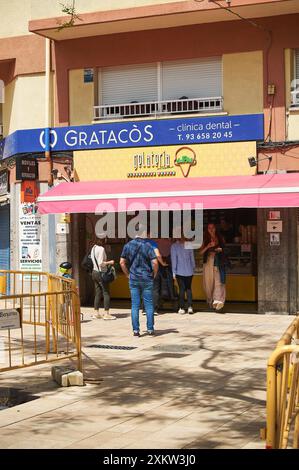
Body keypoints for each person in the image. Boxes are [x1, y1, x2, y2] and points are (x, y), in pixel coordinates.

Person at [120, 227, 159, 336]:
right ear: (144, 234)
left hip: (133, 279)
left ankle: (136, 330)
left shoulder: (128, 245)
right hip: (147, 278)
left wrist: (127, 274)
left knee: (135, 305)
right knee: (149, 304)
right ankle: (150, 329)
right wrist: (154, 274)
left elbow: (122, 262)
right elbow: (155, 263)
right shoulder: (148, 246)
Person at [200, 223, 227, 312]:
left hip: (218, 262)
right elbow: (201, 252)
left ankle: (218, 300)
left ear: (216, 228)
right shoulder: (205, 239)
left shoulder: (220, 238)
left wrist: (221, 249)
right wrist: (208, 246)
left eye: (213, 227)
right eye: (209, 228)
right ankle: (210, 300)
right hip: (208, 262)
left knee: (219, 281)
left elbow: (226, 250)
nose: (211, 229)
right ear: (207, 229)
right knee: (208, 283)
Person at [91, 238, 116, 320]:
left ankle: (96, 313)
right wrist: (110, 262)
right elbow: (101, 263)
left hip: (94, 272)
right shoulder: (101, 249)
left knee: (98, 292)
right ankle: (106, 313)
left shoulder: (93, 248)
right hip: (101, 273)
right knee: (106, 293)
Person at [171, 237, 195, 314]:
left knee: (181, 289)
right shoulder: (189, 245)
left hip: (179, 271)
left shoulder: (174, 246)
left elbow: (174, 260)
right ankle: (190, 307)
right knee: (188, 288)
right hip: (189, 270)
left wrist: (173, 272)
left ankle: (181, 307)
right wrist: (193, 268)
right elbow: (192, 259)